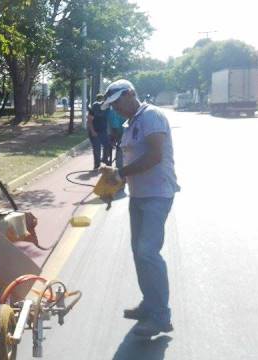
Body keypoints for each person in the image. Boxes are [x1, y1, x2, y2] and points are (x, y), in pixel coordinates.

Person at [101, 79, 180, 337]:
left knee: (147, 251)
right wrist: (113, 185)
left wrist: (121, 172)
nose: (115, 109)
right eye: (111, 106)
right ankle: (149, 304)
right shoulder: (131, 123)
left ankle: (161, 316)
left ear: (131, 94)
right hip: (139, 195)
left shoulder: (151, 116)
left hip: (157, 194)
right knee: (139, 252)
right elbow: (130, 160)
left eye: (117, 103)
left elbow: (155, 156)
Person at [87, 94, 111, 169]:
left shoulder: (109, 108)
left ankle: (104, 159)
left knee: (108, 146)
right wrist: (93, 131)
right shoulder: (95, 107)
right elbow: (89, 121)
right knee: (97, 148)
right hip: (95, 130)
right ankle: (97, 165)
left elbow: (110, 120)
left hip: (103, 131)